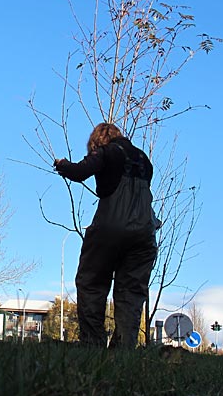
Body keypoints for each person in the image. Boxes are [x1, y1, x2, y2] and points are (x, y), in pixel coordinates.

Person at [53, 123, 158, 348]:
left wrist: (62, 165)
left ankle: (93, 344)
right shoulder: (143, 160)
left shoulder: (107, 152)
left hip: (110, 227)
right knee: (131, 290)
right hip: (144, 233)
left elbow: (80, 172)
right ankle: (124, 349)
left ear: (98, 140)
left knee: (91, 281)